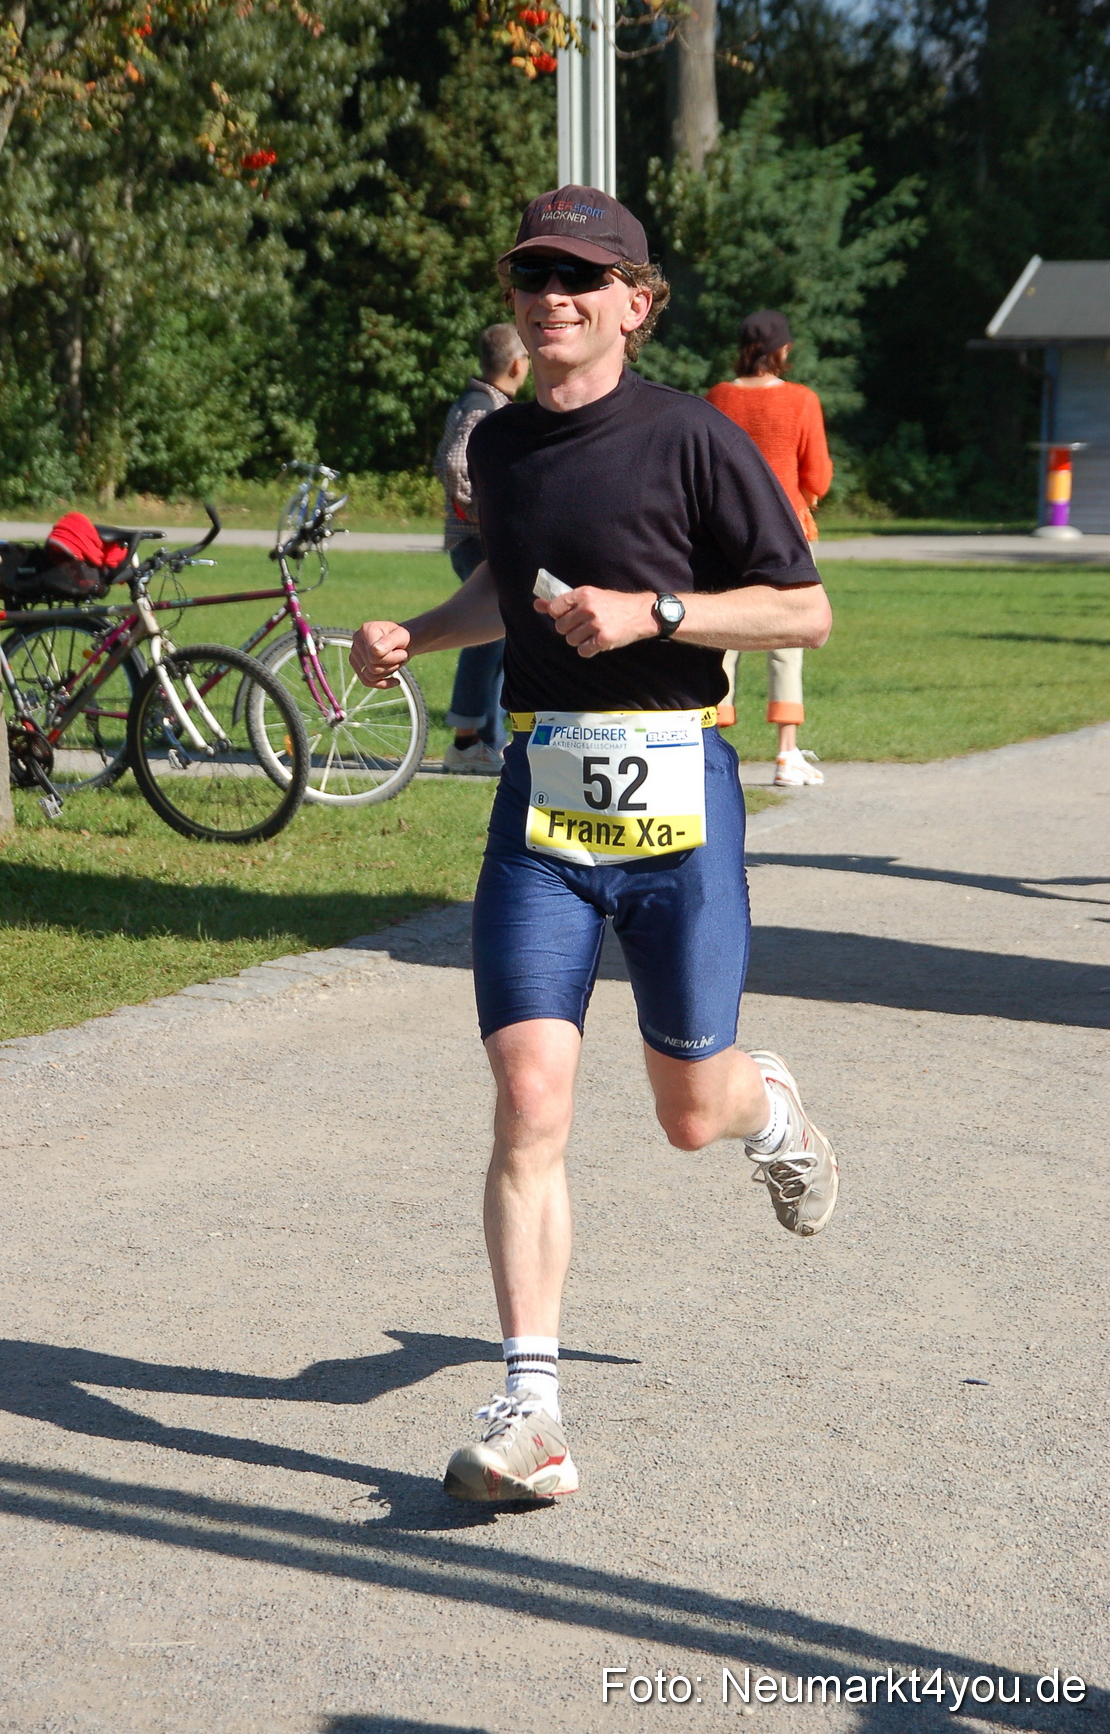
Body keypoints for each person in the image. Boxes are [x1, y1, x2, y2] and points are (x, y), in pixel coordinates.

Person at [350, 186, 839, 1504]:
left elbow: (805, 612)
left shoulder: (696, 438)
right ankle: (533, 1413)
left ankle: (769, 1105)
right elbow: (505, 592)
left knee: (691, 1113)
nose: (552, 295)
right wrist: (418, 632)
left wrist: (658, 613)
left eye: (582, 276)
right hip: (542, 807)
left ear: (635, 300)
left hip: (680, 803)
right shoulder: (501, 450)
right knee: (530, 1099)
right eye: (532, 275)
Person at [706, 311, 833, 788]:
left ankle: (712, 750)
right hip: (787, 532)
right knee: (786, 642)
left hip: (725, 534)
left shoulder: (717, 397)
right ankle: (785, 754)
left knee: (721, 639)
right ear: (780, 351)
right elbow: (817, 475)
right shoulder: (802, 400)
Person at [434, 323, 530, 774]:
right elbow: (455, 464)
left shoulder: (477, 401)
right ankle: (466, 740)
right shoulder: (483, 408)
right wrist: (485, 509)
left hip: (473, 538)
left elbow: (445, 459)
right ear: (517, 364)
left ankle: (488, 740)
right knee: (485, 631)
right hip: (477, 538)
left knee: (498, 632)